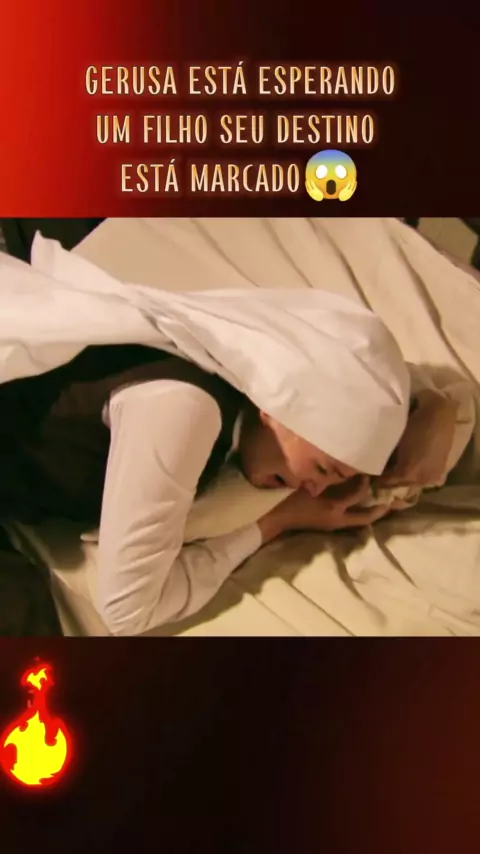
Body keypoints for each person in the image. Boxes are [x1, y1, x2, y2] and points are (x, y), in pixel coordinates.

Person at [0, 299, 460, 637]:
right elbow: (126, 610)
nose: (314, 491)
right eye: (323, 469)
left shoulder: (243, 359)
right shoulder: (184, 410)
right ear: (276, 408)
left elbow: (379, 376)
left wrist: (438, 407)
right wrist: (275, 522)